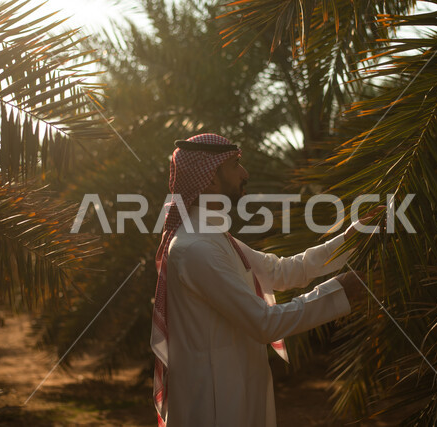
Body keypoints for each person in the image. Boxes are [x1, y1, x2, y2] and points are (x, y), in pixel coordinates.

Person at [151, 133, 375, 427]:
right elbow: (264, 323)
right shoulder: (196, 248)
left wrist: (349, 241)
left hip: (236, 389)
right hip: (213, 404)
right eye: (235, 165)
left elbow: (281, 271)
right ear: (210, 179)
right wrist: (340, 292)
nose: (245, 174)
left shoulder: (214, 238)